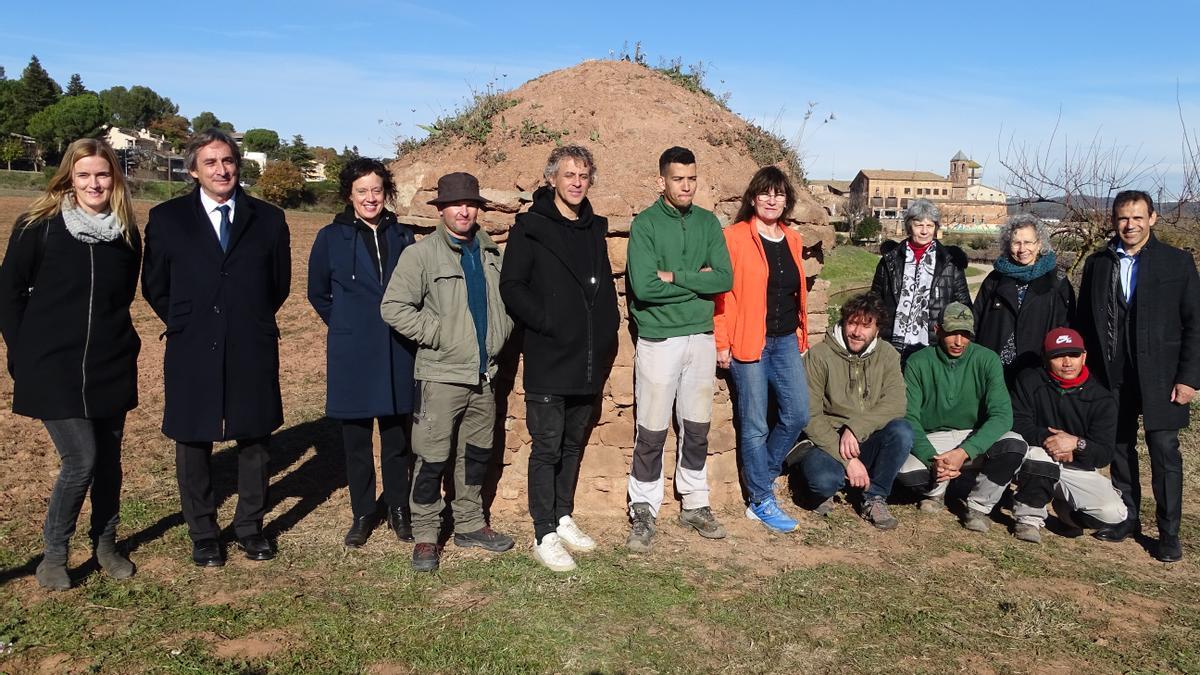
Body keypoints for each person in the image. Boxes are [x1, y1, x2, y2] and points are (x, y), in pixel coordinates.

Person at [142, 129, 291, 566]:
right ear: (193, 170)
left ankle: (250, 526)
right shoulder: (167, 218)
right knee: (192, 438)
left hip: (251, 339)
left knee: (255, 437)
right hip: (192, 343)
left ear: (237, 166)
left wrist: (247, 315)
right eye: (210, 163)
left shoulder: (269, 218)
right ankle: (203, 532)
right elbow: (155, 285)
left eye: (227, 161)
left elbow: (277, 285)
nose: (221, 170)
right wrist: (190, 320)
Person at [0, 139, 141, 589]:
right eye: (84, 175)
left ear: (113, 178)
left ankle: (105, 545)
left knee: (109, 461)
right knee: (81, 458)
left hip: (109, 362)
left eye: (102, 174)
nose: (94, 183)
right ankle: (54, 556)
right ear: (69, 178)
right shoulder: (38, 225)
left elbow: (123, 297)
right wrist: (20, 352)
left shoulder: (125, 232)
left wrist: (126, 344)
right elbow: (9, 294)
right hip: (51, 365)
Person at [381, 172, 515, 572]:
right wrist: (438, 333)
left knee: (475, 456)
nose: (464, 210)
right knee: (431, 458)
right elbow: (394, 307)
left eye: (470, 204)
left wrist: (499, 334)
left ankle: (471, 524)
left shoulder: (490, 253)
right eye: (456, 204)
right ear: (441, 210)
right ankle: (425, 535)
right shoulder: (421, 256)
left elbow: (504, 304)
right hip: (440, 376)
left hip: (482, 376)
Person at [500, 145, 619, 571]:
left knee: (573, 445)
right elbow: (512, 286)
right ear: (551, 178)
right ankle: (543, 531)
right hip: (550, 357)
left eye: (583, 175)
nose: (576, 182)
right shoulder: (530, 228)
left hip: (587, 359)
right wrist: (547, 322)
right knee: (547, 448)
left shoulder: (592, 229)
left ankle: (563, 515)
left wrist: (607, 329)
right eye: (568, 174)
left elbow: (603, 286)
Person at [1076, 190, 1200, 562]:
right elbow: (1084, 319)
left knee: (1164, 451)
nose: (1129, 225)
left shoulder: (1177, 263)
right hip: (1112, 374)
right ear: (1113, 221)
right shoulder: (1099, 263)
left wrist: (1190, 378)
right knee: (1119, 447)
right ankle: (1127, 516)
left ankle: (1168, 532)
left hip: (1162, 376)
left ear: (1152, 219)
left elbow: (1195, 325)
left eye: (1137, 217)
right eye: (1122, 218)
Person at [624, 146, 733, 553]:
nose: (685, 186)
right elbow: (645, 286)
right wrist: (694, 281)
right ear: (661, 182)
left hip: (701, 337)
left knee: (697, 426)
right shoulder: (646, 225)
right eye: (677, 179)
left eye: (691, 178)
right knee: (651, 428)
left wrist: (673, 276)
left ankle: (695, 502)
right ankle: (644, 507)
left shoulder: (707, 223)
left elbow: (723, 278)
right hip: (660, 339)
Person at [307, 158, 417, 548]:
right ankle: (363, 511)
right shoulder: (330, 237)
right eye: (362, 191)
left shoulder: (403, 236)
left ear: (386, 193)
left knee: (396, 437)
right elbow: (317, 292)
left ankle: (399, 510)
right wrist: (344, 324)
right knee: (355, 440)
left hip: (396, 350)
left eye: (376, 190)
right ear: (349, 195)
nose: (370, 198)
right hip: (352, 351)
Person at [713, 166, 810, 533]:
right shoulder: (734, 237)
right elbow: (721, 295)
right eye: (766, 193)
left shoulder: (793, 239)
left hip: (784, 340)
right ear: (754, 197)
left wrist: (801, 334)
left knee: (798, 413)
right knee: (753, 424)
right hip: (748, 341)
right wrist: (721, 343)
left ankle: (763, 475)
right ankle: (760, 499)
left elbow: (796, 292)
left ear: (787, 200)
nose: (772, 199)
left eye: (779, 194)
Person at [896, 303, 1030, 536]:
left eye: (965, 334)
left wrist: (964, 452)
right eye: (952, 333)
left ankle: (978, 506)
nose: (959, 341)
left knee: (1014, 445)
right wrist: (932, 459)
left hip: (974, 435)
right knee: (908, 475)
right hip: (934, 439)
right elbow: (909, 416)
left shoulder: (987, 360)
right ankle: (937, 491)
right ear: (938, 330)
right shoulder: (918, 362)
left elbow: (1002, 415)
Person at [792, 292, 911, 529]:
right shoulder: (819, 356)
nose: (857, 332)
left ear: (877, 329)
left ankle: (874, 497)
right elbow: (809, 414)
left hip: (866, 437)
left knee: (902, 431)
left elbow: (896, 402)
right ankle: (831, 485)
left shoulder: (887, 355)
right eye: (852, 323)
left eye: (866, 326)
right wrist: (848, 461)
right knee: (823, 482)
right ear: (843, 322)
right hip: (829, 439)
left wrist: (856, 428)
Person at [1008, 328, 1128, 543]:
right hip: (1036, 455)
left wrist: (1077, 444)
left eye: (1073, 355)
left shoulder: (1102, 398)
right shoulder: (1029, 380)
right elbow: (1017, 421)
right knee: (1039, 457)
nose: (1067, 362)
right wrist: (1051, 441)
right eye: (1058, 356)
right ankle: (1028, 519)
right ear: (1046, 358)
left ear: (1084, 356)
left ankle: (1066, 513)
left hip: (1076, 465)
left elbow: (1103, 453)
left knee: (1113, 514)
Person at [972, 214, 1074, 384]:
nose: (1022, 249)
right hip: (993, 368)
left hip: (1036, 370)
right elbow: (976, 319)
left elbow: (1065, 327)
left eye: (1028, 242)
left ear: (1039, 244)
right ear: (1007, 244)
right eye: (1016, 243)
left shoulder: (1057, 281)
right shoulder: (994, 279)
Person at [870, 199, 970, 364]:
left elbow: (963, 306)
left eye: (929, 226)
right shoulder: (890, 260)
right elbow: (875, 300)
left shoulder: (950, 263)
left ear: (936, 228)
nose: (924, 231)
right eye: (919, 225)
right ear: (909, 227)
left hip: (933, 344)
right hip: (892, 344)